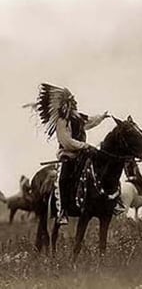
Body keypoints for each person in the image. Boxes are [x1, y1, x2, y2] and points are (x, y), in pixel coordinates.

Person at [35, 83, 109, 225]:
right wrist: (84, 145)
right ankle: (62, 211)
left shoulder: (78, 118)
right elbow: (66, 141)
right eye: (72, 100)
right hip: (68, 156)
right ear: (67, 104)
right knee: (64, 179)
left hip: (82, 153)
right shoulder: (62, 122)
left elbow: (91, 121)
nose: (75, 102)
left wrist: (102, 117)